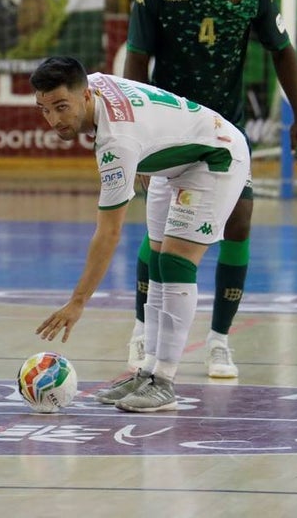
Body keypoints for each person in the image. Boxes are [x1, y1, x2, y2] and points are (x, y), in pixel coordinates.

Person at [121, 0, 297, 378]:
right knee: (161, 234)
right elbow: (135, 66)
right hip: (168, 130)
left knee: (241, 222)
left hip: (225, 133)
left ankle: (220, 341)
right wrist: (135, 138)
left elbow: (283, 53)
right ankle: (143, 328)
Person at [30, 56, 251, 412]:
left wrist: (78, 302)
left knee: (177, 262)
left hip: (215, 156)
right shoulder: (94, 84)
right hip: (173, 161)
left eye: (61, 107)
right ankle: (147, 370)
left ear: (85, 96)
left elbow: (109, 233)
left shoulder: (116, 142)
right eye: (44, 109)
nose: (54, 120)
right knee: (158, 263)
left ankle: (164, 381)